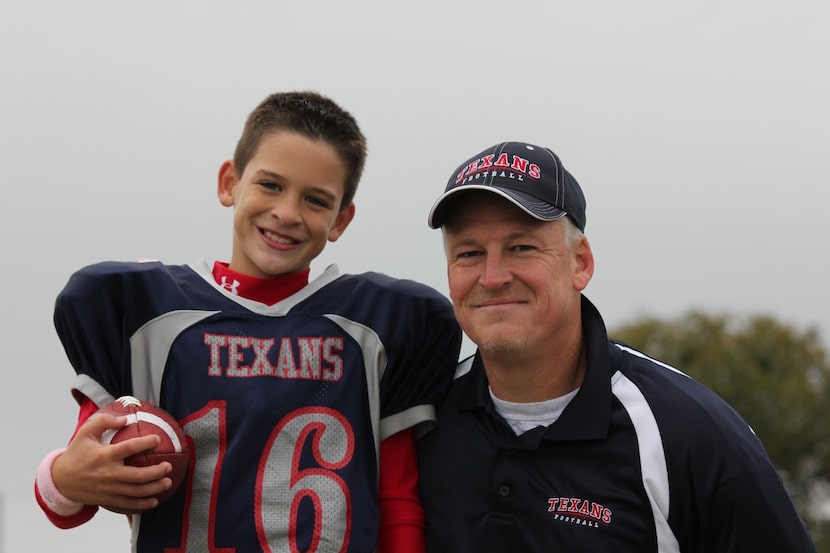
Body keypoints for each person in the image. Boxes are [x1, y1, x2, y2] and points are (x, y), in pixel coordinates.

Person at [35, 91, 462, 552]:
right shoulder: (148, 313)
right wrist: (63, 477)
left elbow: (396, 499)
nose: (287, 213)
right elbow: (69, 501)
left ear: (341, 220)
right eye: (271, 185)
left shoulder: (375, 327)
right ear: (229, 182)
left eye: (316, 200)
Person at [416, 141, 817, 552]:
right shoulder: (420, 419)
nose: (494, 276)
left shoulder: (689, 432)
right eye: (469, 253)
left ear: (580, 263)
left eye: (522, 247)